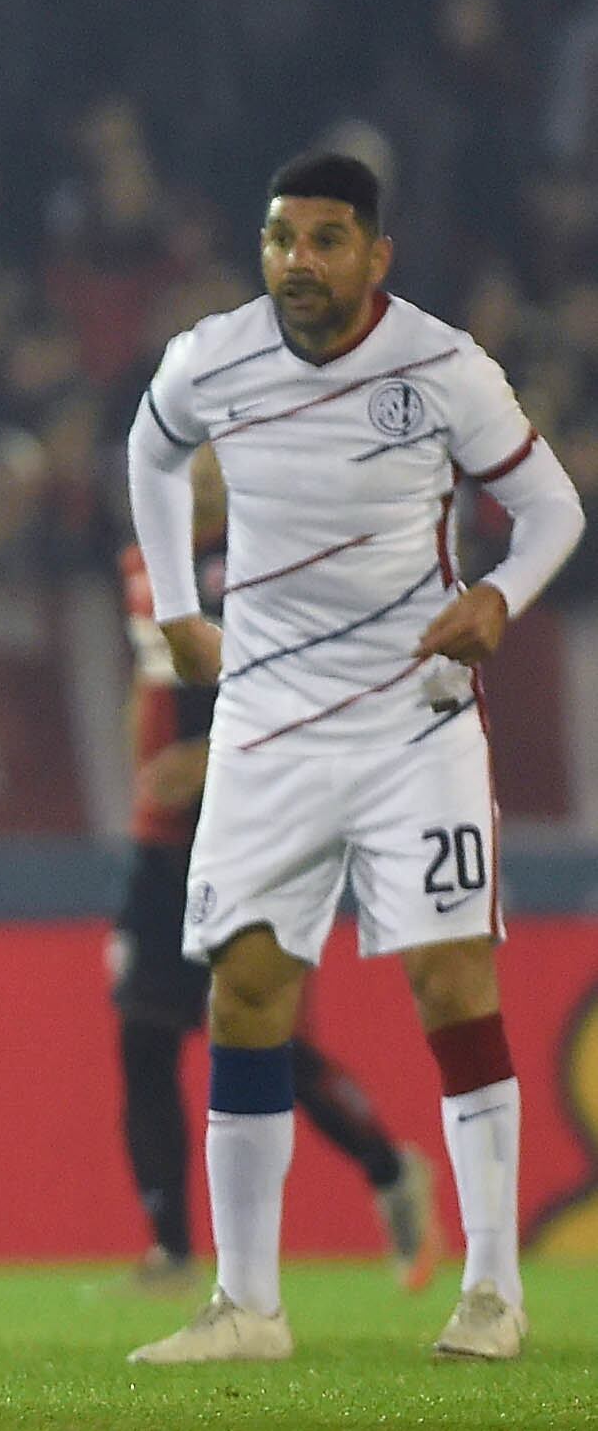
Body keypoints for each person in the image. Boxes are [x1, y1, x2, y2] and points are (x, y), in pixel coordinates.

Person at [125, 151, 586, 1365]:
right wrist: (178, 605)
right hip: (267, 725)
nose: (298, 262)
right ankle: (247, 1308)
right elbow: (149, 447)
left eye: (326, 240)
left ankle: (490, 1290)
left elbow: (553, 510)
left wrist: (496, 595)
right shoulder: (212, 356)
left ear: (375, 256)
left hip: (411, 720)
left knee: (447, 979)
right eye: (281, 238)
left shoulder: (440, 366)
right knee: (248, 988)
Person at [110, 445, 439, 1292]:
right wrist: (139, 781)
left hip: (254, 827)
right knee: (143, 1036)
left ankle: (386, 1167)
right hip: (160, 842)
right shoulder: (143, 563)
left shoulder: (274, 562)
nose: (204, 471)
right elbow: (146, 685)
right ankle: (170, 1253)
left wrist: (206, 758)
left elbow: (307, 691)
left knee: (263, 1043)